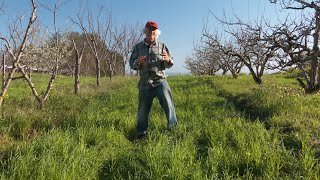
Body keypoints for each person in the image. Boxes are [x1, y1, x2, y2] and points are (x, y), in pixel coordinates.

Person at [129, 21, 178, 140]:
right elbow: (131, 64)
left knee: (169, 106)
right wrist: (137, 63)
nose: (151, 31)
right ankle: (141, 133)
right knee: (142, 111)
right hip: (145, 83)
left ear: (157, 32)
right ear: (145, 31)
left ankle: (173, 129)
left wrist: (168, 60)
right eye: (149, 29)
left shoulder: (162, 46)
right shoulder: (138, 47)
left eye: (154, 30)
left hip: (160, 81)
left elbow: (170, 62)